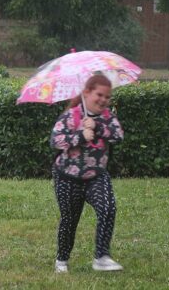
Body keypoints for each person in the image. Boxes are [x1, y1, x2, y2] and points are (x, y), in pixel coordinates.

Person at [50, 74, 124, 273]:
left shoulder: (107, 117)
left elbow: (118, 135)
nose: (103, 100)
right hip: (67, 178)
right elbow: (55, 141)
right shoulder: (71, 116)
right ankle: (62, 260)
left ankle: (101, 257)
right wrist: (80, 136)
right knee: (70, 220)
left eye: (107, 97)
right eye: (99, 95)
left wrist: (98, 127)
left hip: (96, 176)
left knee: (108, 208)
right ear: (87, 93)